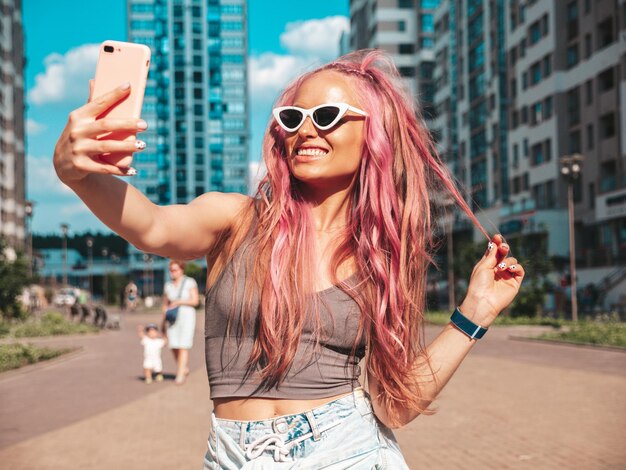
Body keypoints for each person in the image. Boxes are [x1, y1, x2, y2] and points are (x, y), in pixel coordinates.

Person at [53, 50, 524, 468]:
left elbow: (395, 405)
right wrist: (78, 173)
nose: (305, 129)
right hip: (231, 454)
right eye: (292, 117)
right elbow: (151, 226)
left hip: (350, 450)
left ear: (373, 133)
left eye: (326, 114)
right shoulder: (236, 219)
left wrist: (474, 313)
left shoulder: (380, 258)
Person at [162, 259, 199, 384]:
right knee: (173, 344)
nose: (172, 272)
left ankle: (180, 374)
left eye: (175, 270)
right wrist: (163, 320)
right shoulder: (168, 285)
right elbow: (165, 304)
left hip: (186, 316)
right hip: (172, 318)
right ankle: (183, 367)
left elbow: (195, 301)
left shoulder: (189, 282)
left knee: (183, 345)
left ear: (181, 270)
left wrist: (179, 302)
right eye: (171, 270)